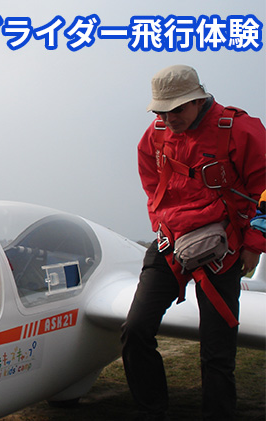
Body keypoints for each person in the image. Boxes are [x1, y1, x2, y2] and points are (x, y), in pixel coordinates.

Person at [121, 64, 266, 420]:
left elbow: (265, 190)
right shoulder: (155, 135)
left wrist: (253, 244)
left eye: (176, 110)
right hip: (171, 243)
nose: (169, 118)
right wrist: (161, 224)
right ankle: (152, 410)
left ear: (198, 100)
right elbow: (152, 185)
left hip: (224, 247)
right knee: (135, 329)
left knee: (217, 350)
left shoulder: (240, 130)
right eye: (161, 112)